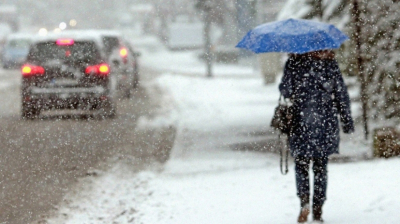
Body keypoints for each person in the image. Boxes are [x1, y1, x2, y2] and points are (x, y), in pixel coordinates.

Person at [279, 50, 354, 223]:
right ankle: (318, 207)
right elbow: (341, 94)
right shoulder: (329, 63)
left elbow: (286, 90)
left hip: (301, 121)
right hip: (325, 122)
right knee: (321, 167)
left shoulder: (294, 63)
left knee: (301, 165)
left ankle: (304, 201)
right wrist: (346, 120)